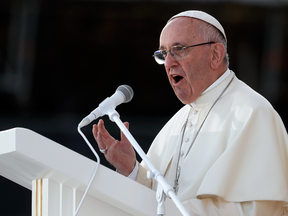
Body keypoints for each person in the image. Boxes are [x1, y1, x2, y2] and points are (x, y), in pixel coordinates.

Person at [92, 10, 288, 215]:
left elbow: (260, 209)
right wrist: (132, 170)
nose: (168, 63)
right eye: (163, 54)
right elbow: (154, 201)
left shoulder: (253, 113)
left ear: (215, 55)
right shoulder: (177, 122)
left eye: (178, 49)